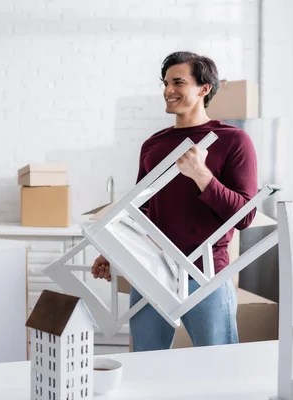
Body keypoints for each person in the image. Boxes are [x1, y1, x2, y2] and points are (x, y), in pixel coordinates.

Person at [92, 51, 258, 351]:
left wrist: (201, 175)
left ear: (204, 88)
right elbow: (139, 210)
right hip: (151, 270)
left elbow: (245, 217)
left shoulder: (234, 141)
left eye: (178, 82)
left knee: (219, 365)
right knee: (145, 363)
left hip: (205, 274)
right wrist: (113, 250)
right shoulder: (153, 145)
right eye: (165, 83)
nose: (168, 91)